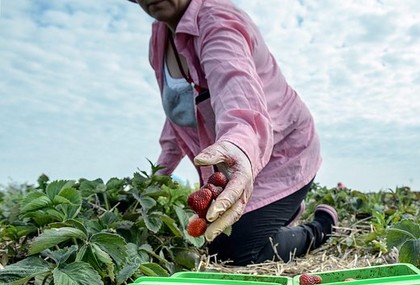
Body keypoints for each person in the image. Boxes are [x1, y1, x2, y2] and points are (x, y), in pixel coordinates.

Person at [127, 0, 338, 266]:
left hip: (284, 149)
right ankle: (276, 210)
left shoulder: (218, 22)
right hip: (234, 159)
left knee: (236, 251)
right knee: (212, 236)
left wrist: (238, 146)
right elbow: (179, 112)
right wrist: (157, 177)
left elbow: (237, 91)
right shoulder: (158, 39)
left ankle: (321, 227)